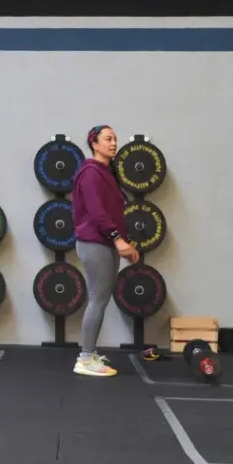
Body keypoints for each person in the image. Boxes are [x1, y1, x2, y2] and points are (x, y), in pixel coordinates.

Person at [70, 124, 139, 378]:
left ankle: (89, 354)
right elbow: (97, 212)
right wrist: (119, 240)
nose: (113, 143)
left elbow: (111, 211)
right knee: (98, 298)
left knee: (101, 298)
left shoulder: (105, 173)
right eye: (107, 139)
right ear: (94, 144)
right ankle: (86, 359)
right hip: (94, 242)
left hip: (106, 242)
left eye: (115, 139)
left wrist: (122, 241)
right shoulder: (90, 172)